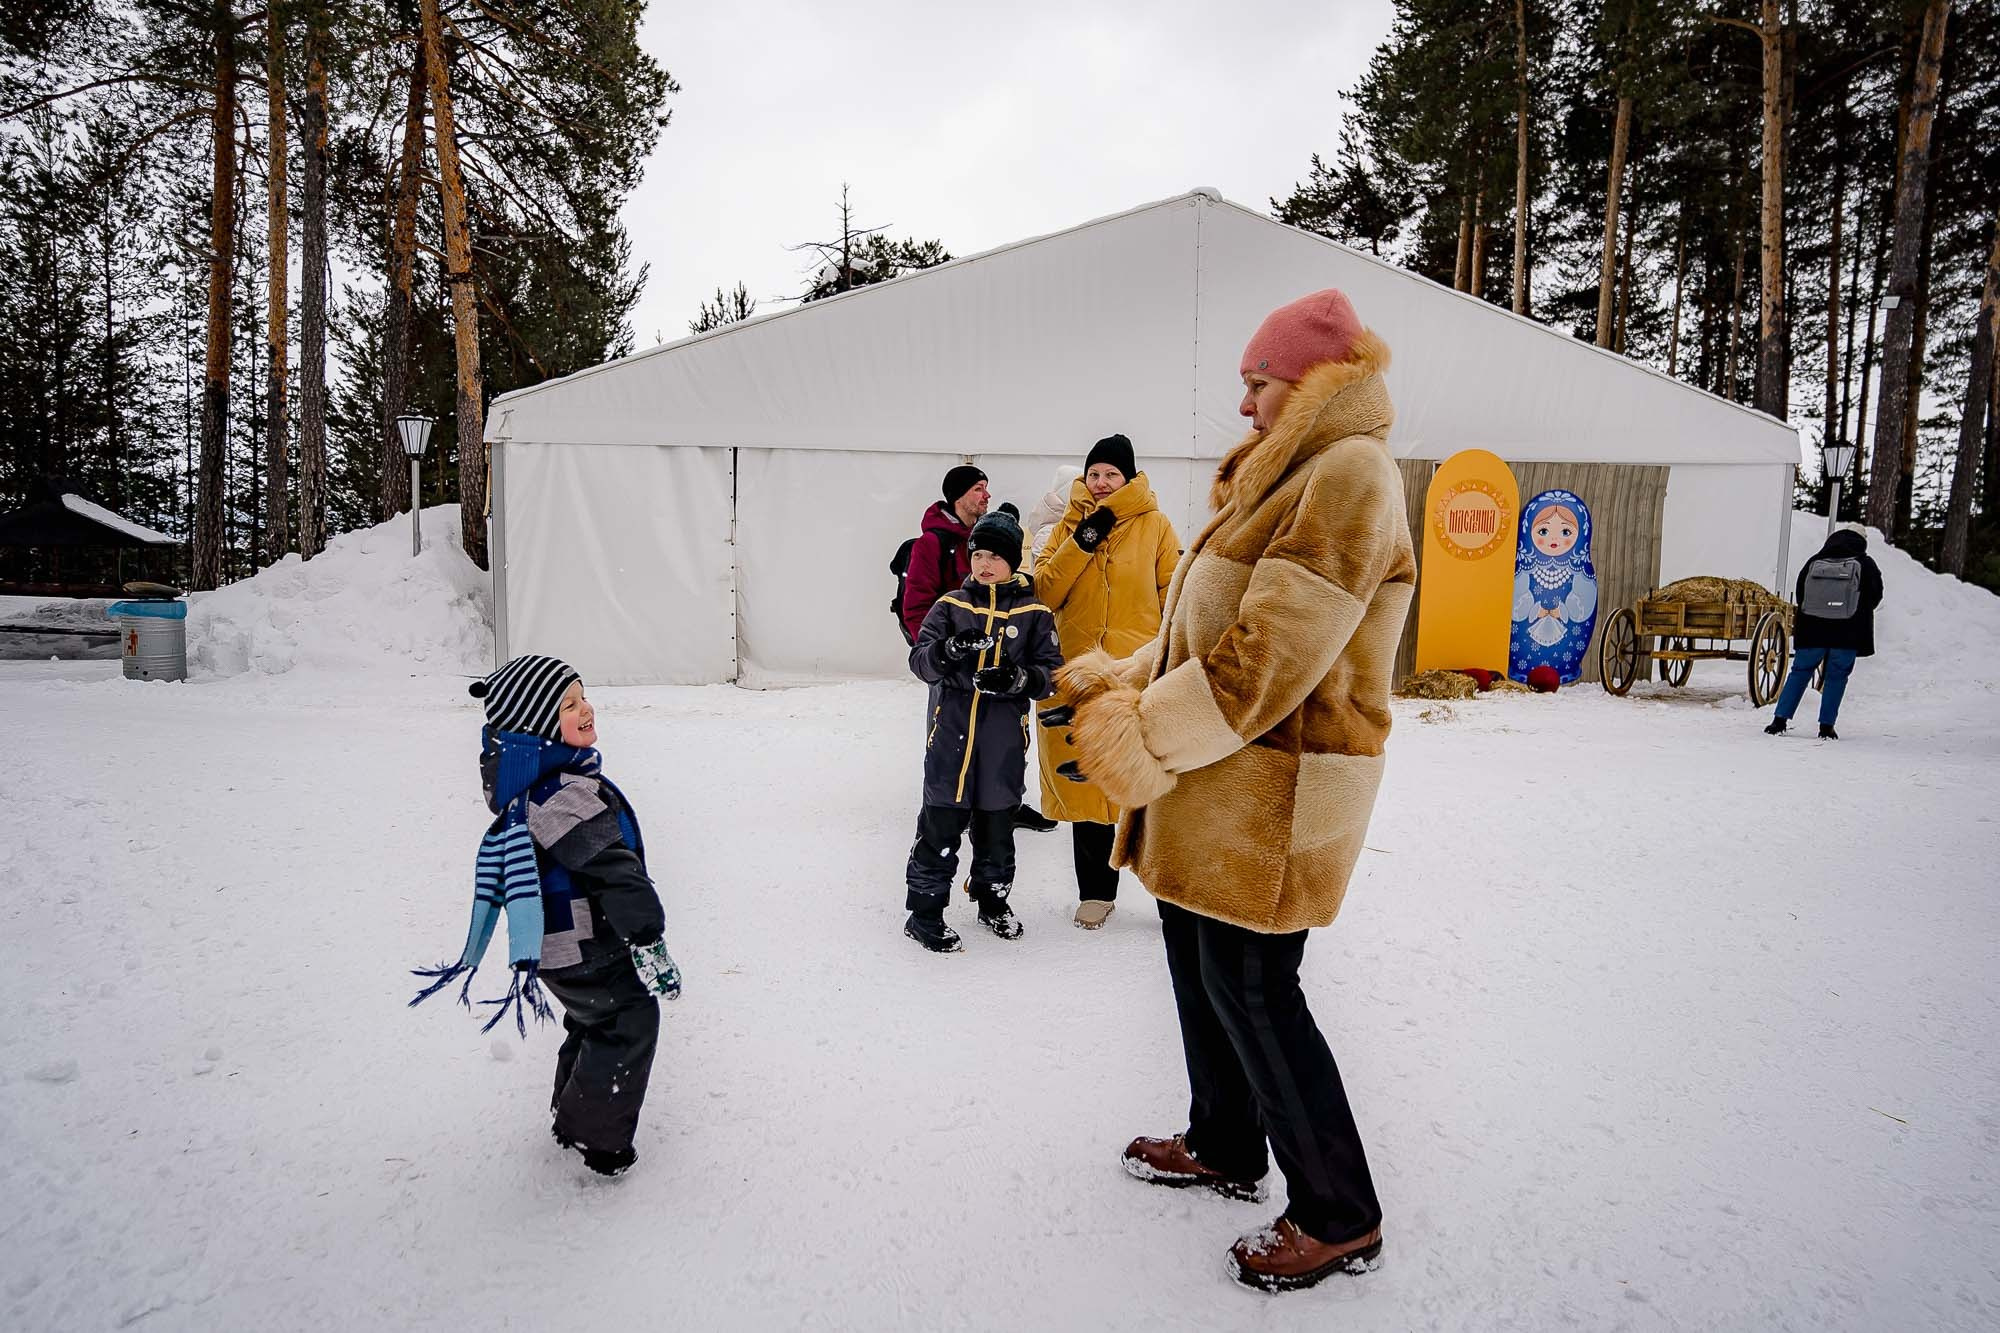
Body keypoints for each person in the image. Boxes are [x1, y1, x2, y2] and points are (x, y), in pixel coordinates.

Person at [1055, 289, 1415, 1291]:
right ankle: (1223, 1139)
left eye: (1258, 383)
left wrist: (1140, 735)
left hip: (1277, 791)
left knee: (1255, 987)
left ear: (1311, 382)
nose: (1245, 404)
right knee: (1199, 962)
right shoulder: (1282, 470)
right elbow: (1201, 629)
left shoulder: (1349, 475)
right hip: (1216, 780)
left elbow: (1267, 659)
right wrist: (1122, 679)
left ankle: (1338, 1213)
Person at [411, 654, 677, 1178]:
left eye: (583, 696)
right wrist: (648, 936)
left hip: (558, 945)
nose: (585, 709)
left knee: (594, 1017)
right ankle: (596, 1136)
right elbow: (612, 871)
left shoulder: (540, 785)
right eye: (568, 705)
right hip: (584, 943)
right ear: (536, 728)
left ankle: (570, 1111)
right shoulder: (561, 797)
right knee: (627, 1019)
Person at [1032, 434, 1180, 929]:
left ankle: (1168, 894)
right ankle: (1096, 891)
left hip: (1135, 674)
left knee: (1146, 786)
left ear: (1128, 478)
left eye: (1111, 474)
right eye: (1093, 473)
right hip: (1079, 672)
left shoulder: (1156, 526)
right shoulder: (1066, 525)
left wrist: (1165, 660)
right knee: (1088, 781)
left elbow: (1173, 596)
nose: (1100, 482)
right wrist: (1081, 542)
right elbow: (1046, 592)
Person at [903, 509, 1063, 952]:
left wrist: (1018, 679)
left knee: (997, 829)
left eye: (995, 556)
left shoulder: (1034, 613)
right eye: (978, 555)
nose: (984, 564)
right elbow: (920, 661)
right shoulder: (951, 606)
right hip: (950, 740)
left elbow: (1052, 674)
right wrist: (949, 650)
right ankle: (924, 913)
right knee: (940, 827)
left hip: (1003, 744)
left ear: (1013, 561)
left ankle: (992, 900)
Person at [901, 465, 1057, 832]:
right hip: (951, 664)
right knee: (947, 737)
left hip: (997, 658)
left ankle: (1005, 803)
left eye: (986, 488)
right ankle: (942, 808)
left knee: (1003, 736)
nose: (986, 495)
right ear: (958, 496)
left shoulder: (982, 536)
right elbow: (916, 606)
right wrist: (941, 650)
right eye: (978, 489)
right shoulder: (932, 543)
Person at [1765, 526, 1884, 740]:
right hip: (1847, 631)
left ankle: (1779, 721)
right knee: (1837, 676)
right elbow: (1875, 595)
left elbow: (1801, 594)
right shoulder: (1865, 563)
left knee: (1800, 672)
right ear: (1862, 540)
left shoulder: (1815, 561)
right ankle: (1826, 726)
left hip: (1813, 628)